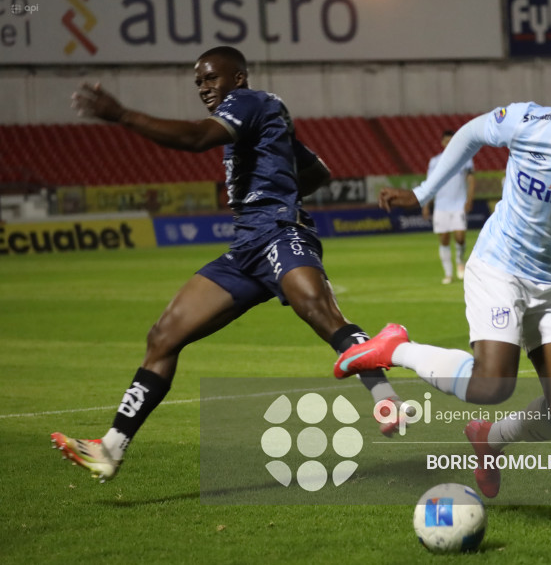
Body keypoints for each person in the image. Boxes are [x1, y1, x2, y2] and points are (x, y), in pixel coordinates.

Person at [51, 46, 407, 483]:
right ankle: (111, 446)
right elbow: (318, 172)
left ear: (237, 78)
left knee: (320, 312)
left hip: (279, 232)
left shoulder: (246, 102)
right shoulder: (265, 115)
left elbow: (195, 139)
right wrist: (279, 173)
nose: (204, 88)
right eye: (198, 82)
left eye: (210, 79)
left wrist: (122, 114)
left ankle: (386, 398)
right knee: (163, 336)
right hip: (245, 249)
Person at [334, 55, 551, 498]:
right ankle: (396, 347)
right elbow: (470, 134)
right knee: (492, 384)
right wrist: (421, 192)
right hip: (500, 266)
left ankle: (489, 440)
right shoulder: (526, 122)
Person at [421, 129, 476, 284]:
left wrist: (469, 199)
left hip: (458, 203)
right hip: (441, 205)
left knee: (460, 236)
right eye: (446, 141)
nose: (449, 144)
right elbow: (429, 184)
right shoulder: (434, 162)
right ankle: (448, 273)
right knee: (444, 239)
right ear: (442, 143)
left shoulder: (466, 159)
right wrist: (426, 204)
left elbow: (471, 180)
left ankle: (460, 261)